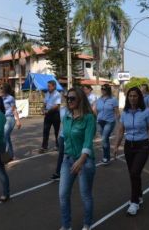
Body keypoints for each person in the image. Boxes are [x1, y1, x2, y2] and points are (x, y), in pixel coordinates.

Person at [113, 87, 149, 216]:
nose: (132, 98)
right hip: (129, 146)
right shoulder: (125, 113)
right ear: (127, 98)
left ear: (139, 97)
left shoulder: (146, 112)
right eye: (130, 96)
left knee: (134, 172)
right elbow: (121, 130)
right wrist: (116, 146)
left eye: (135, 96)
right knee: (133, 174)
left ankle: (134, 202)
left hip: (142, 146)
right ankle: (139, 194)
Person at [59, 87, 96, 230]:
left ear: (80, 99)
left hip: (85, 161)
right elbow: (65, 139)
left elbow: (88, 141)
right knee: (63, 195)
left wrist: (81, 160)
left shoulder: (89, 118)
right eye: (68, 98)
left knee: (85, 195)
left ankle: (87, 224)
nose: (69, 101)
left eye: (72, 98)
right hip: (67, 160)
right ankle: (66, 225)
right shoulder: (66, 117)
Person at [95, 84, 119, 164]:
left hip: (109, 122)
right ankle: (106, 155)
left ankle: (106, 157)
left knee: (104, 138)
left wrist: (120, 123)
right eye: (102, 88)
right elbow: (97, 111)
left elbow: (117, 112)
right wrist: (95, 119)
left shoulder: (113, 100)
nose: (102, 90)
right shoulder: (99, 100)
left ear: (108, 90)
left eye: (104, 89)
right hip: (100, 122)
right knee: (105, 139)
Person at [0, 83, 22, 160]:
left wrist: (18, 121)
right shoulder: (0, 98)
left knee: (4, 137)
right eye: (0, 88)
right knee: (7, 138)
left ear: (5, 89)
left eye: (2, 88)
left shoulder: (10, 98)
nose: (0, 89)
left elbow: (14, 109)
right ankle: (11, 156)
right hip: (2, 119)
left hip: (9, 119)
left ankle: (6, 156)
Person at [50, 93, 68, 181]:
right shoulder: (62, 109)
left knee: (71, 154)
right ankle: (58, 173)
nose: (65, 100)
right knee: (62, 154)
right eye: (64, 98)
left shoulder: (75, 110)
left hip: (71, 136)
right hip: (62, 135)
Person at [41, 80, 61, 152]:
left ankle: (58, 145)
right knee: (45, 131)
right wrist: (43, 109)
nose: (48, 87)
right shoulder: (47, 94)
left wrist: (47, 111)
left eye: (49, 86)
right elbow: (44, 103)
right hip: (47, 115)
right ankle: (44, 147)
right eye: (48, 86)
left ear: (54, 86)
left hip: (55, 114)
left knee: (56, 131)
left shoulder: (57, 94)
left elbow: (57, 106)